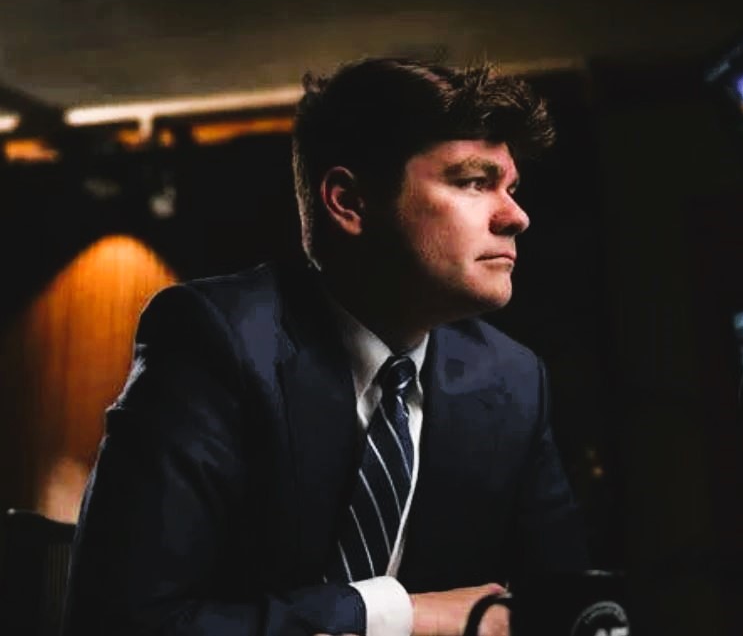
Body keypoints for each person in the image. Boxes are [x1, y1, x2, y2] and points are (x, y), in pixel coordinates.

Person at [62, 57, 589, 636]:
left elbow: (565, 608)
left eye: (511, 188)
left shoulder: (514, 379)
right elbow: (121, 622)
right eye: (473, 182)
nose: (516, 217)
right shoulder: (215, 338)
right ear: (349, 202)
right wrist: (400, 614)